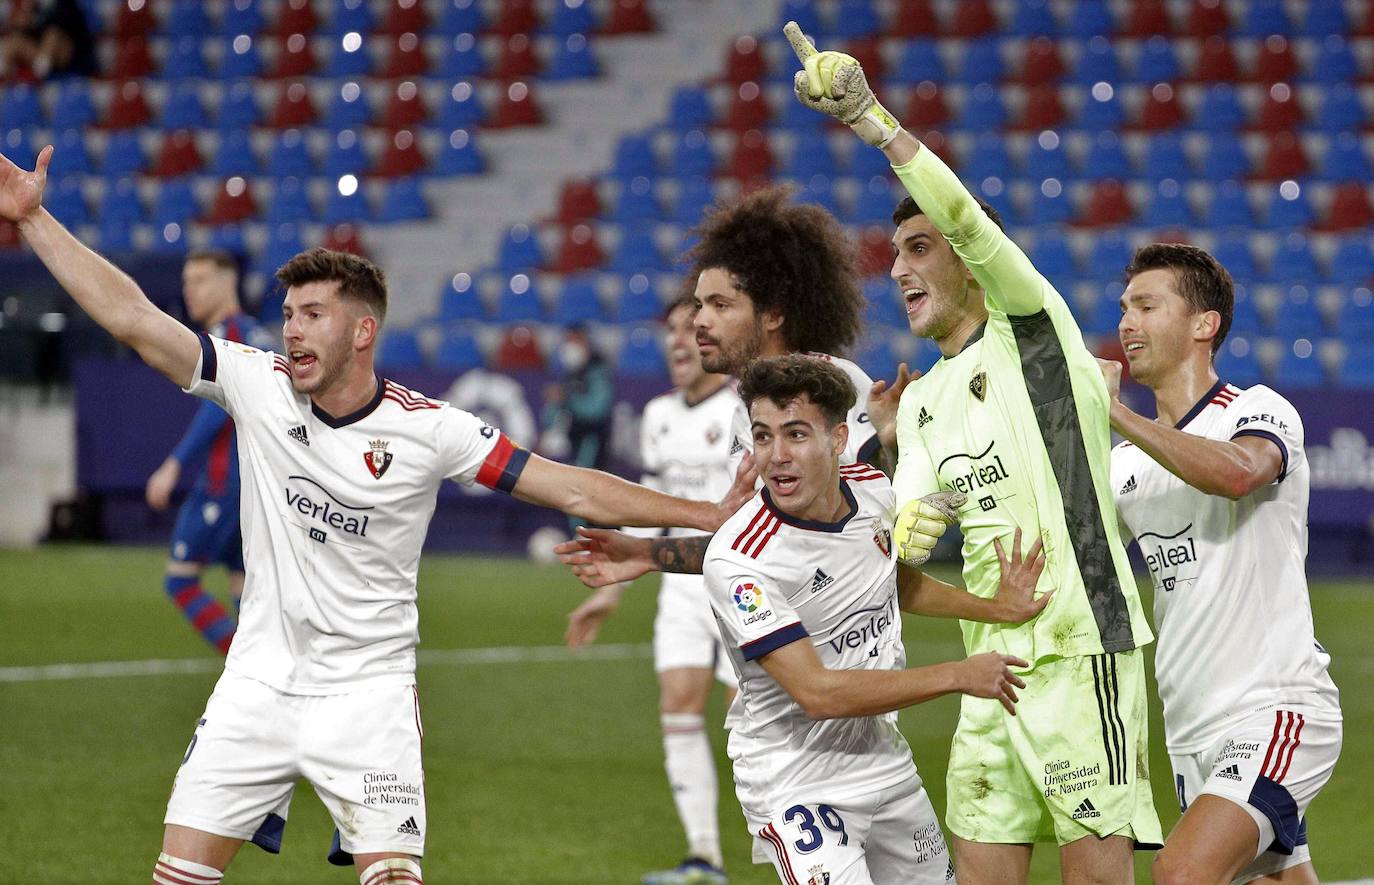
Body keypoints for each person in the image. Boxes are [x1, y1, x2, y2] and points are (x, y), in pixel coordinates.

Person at [0, 145, 754, 885]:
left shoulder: (431, 429)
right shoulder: (257, 383)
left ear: (362, 331)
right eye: (289, 314)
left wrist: (709, 511)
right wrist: (34, 220)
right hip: (255, 685)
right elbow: (133, 318)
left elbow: (570, 489)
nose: (292, 329)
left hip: (370, 698)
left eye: (314, 315)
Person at [783, 23, 1161, 885]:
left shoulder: (1032, 327)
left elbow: (956, 210)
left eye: (921, 249)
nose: (901, 269)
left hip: (1079, 647)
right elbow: (916, 521)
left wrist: (875, 123)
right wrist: (889, 526)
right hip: (990, 669)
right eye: (896, 255)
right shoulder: (922, 398)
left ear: (970, 259)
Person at [563, 353, 1050, 884]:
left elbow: (889, 575)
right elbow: (817, 694)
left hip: (881, 755)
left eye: (795, 434)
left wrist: (994, 608)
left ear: (838, 440)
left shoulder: (871, 489)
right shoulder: (740, 561)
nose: (776, 456)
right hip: (795, 780)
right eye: (763, 436)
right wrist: (960, 674)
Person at [1101, 243, 1342, 885]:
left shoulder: (1256, 410)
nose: (1127, 322)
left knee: (1181, 874)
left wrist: (1114, 414)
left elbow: (1240, 474)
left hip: (1275, 708)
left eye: (1147, 305)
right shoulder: (1122, 464)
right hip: (1189, 729)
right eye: (1124, 307)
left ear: (1204, 324)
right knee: (1276, 879)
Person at [565, 296, 739, 885]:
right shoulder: (660, 414)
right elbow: (651, 505)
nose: (679, 342)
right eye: (670, 331)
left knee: (752, 726)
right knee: (679, 711)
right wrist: (610, 592)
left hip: (747, 588)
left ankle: (795, 856)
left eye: (692, 330)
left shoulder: (745, 409)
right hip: (681, 586)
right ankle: (704, 858)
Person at [144, 250, 271, 654]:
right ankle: (266, 675)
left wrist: (173, 465)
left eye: (199, 280)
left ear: (227, 282)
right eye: (186, 281)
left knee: (180, 580)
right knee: (243, 586)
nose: (189, 291)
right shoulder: (256, 333)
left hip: (225, 484)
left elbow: (219, 411)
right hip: (253, 488)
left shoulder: (229, 337)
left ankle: (244, 669)